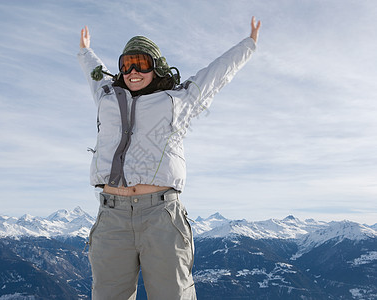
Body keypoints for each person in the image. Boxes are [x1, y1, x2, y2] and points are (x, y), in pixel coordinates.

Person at [78, 17, 261, 300]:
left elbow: (216, 74)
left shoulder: (179, 99)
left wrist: (248, 44)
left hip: (161, 216)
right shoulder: (106, 97)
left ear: (156, 65)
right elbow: (94, 72)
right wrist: (85, 51)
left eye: (140, 62)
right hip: (112, 217)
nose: (133, 71)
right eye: (126, 64)